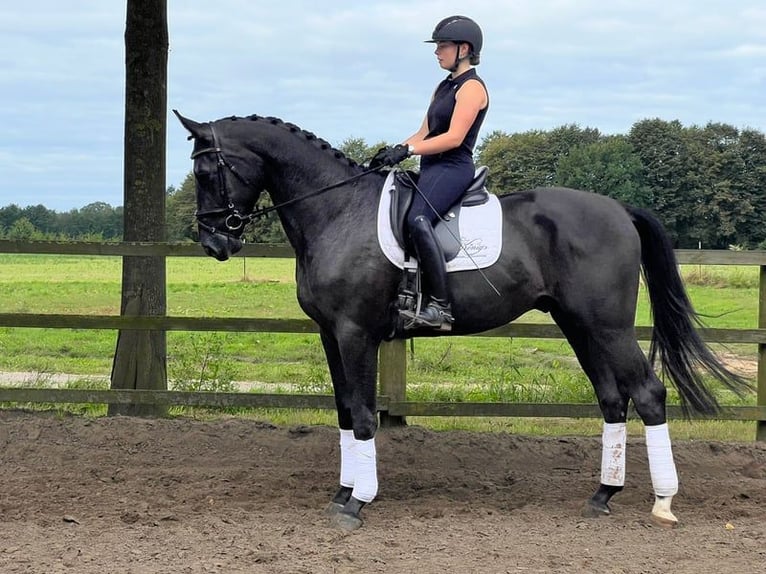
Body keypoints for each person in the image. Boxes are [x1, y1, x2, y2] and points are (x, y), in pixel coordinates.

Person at [371, 15, 489, 331]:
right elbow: (425, 131)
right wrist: (393, 150)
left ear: (464, 49)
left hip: (453, 167)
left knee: (418, 219)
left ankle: (441, 308)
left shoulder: (472, 88)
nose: (437, 52)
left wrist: (409, 152)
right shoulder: (443, 86)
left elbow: (453, 138)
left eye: (443, 46)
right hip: (432, 166)